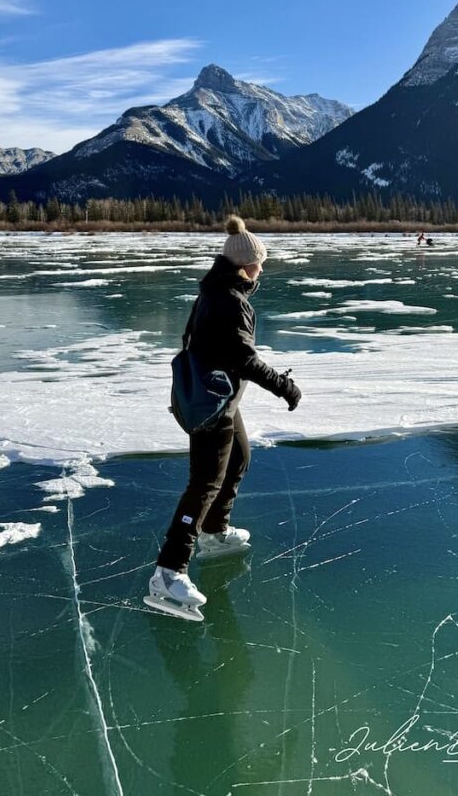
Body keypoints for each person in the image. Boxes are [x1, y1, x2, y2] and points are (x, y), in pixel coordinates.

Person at [145, 216, 302, 621]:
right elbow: (244, 359)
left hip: (218, 399)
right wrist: (285, 387)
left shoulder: (215, 292)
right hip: (213, 406)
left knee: (239, 458)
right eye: (259, 263)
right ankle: (169, 571)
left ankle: (215, 533)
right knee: (204, 484)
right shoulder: (231, 301)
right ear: (243, 264)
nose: (262, 269)